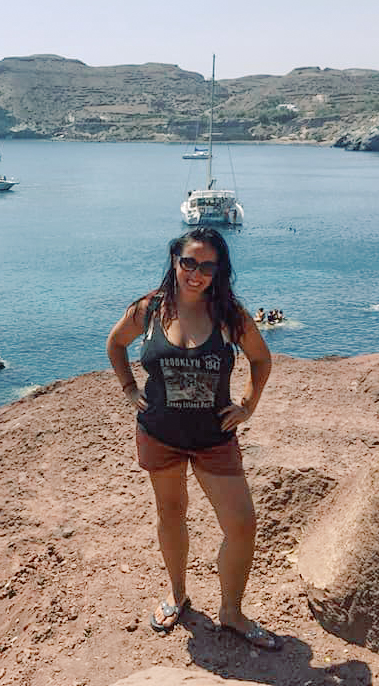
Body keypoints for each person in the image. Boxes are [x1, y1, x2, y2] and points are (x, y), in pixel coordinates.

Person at [106, 227, 279, 650]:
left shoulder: (228, 314)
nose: (196, 273)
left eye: (207, 266)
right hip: (160, 434)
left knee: (241, 525)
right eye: (189, 262)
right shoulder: (148, 309)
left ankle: (231, 612)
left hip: (214, 438)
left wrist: (248, 405)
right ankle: (177, 594)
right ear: (174, 261)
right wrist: (130, 389)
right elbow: (115, 345)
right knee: (171, 513)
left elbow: (261, 359)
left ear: (218, 271)